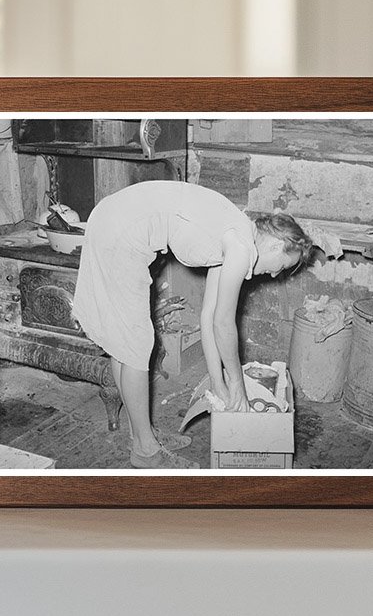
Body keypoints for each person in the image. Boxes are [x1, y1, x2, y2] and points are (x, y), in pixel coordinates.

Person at [71, 180, 316, 469]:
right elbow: (225, 325)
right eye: (283, 265)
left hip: (112, 217)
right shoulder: (240, 247)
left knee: (126, 346)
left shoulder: (237, 231)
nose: (276, 274)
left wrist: (217, 380)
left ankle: (142, 433)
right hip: (121, 231)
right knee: (137, 345)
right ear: (276, 244)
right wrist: (236, 385)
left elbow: (209, 316)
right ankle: (145, 450)